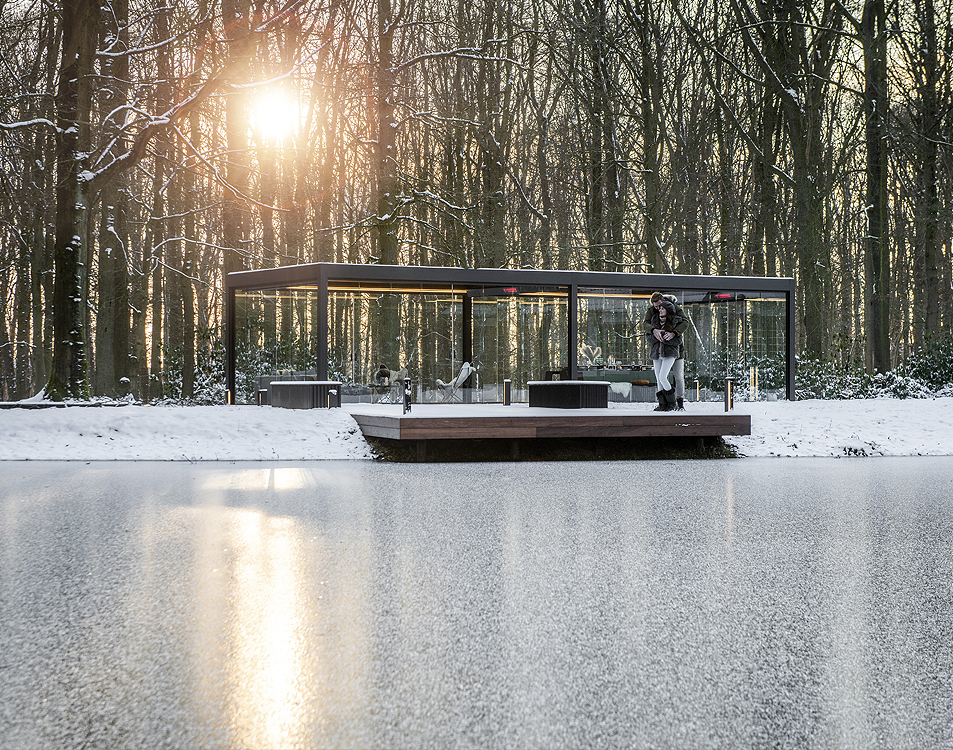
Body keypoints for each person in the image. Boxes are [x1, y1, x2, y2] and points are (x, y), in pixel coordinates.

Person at [642, 292, 688, 410]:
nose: (658, 309)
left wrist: (673, 334)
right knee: (659, 377)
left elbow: (684, 322)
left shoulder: (673, 309)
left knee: (678, 375)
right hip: (658, 350)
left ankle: (679, 402)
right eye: (656, 307)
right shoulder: (653, 312)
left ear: (663, 301)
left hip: (674, 349)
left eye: (660, 306)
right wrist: (653, 331)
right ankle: (664, 403)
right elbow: (645, 325)